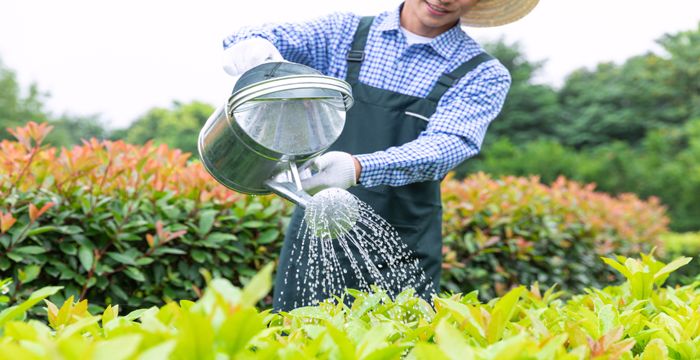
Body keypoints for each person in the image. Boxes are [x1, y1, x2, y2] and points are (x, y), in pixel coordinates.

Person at [222, 0, 539, 311]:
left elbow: (447, 145)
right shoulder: (345, 33)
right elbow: (256, 35)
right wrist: (253, 49)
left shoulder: (481, 73)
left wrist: (357, 167)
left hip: (401, 246)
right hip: (317, 234)